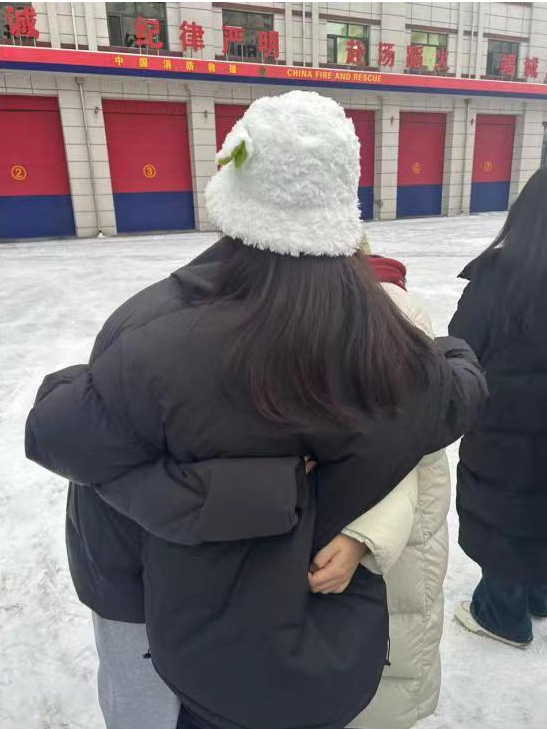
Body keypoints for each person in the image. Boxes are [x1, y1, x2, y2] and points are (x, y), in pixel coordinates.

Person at [25, 91, 486, 729]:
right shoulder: (389, 349)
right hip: (308, 616)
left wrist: (79, 383)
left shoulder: (156, 336)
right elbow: (463, 387)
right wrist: (443, 347)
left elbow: (55, 434)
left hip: (163, 603)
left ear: (235, 197)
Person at [342, 247, 451, 729]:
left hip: (395, 524)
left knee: (392, 645)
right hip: (390, 520)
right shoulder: (389, 299)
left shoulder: (389, 311)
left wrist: (364, 536)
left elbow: (405, 435)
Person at [450, 167, 547, 649]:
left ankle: (502, 613)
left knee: (503, 509)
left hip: (503, 427)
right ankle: (539, 595)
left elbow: (461, 345)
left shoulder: (497, 274)